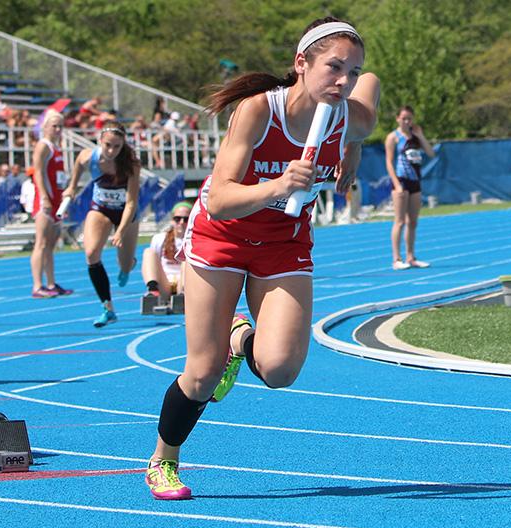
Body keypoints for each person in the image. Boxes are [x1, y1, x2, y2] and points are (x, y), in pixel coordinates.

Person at [143, 17, 379, 500]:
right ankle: (162, 460)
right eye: (334, 67)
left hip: (284, 241)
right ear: (301, 63)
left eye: (353, 72)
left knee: (280, 371)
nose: (345, 80)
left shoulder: (348, 114)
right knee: (203, 373)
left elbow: (370, 96)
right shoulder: (257, 111)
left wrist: (351, 152)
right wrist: (278, 185)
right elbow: (221, 198)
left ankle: (242, 337)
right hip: (222, 236)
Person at [61, 121, 141, 327]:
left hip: (126, 213)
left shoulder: (131, 163)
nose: (112, 150)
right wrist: (71, 187)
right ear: (99, 141)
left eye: (117, 146)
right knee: (91, 254)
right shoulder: (88, 156)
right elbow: (77, 169)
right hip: (101, 209)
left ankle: (128, 265)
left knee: (124, 266)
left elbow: (132, 202)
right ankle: (108, 308)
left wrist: (121, 231)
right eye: (108, 145)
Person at [384, 105, 434, 270]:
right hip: (401, 180)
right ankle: (397, 259)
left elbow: (431, 153)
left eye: (409, 119)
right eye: (403, 118)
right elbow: (389, 162)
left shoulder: (415, 137)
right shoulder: (393, 137)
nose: (406, 122)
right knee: (399, 221)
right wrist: (397, 185)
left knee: (413, 222)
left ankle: (411, 256)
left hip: (415, 181)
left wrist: (420, 135)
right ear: (397, 118)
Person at [30, 111, 72, 298]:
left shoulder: (57, 148)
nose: (57, 130)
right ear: (45, 126)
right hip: (45, 201)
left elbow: (59, 179)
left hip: (56, 201)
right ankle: (37, 285)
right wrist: (45, 197)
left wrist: (63, 202)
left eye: (60, 126)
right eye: (54, 126)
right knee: (41, 243)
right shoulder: (43, 146)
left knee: (50, 245)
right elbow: (38, 173)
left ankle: (51, 283)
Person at [141, 201, 191, 302]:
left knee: (187, 259)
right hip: (165, 284)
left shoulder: (196, 240)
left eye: (186, 219)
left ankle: (182, 294)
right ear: (172, 221)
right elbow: (154, 263)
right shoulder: (160, 238)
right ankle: (153, 290)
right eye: (177, 219)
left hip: (186, 284)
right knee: (149, 252)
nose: (181, 222)